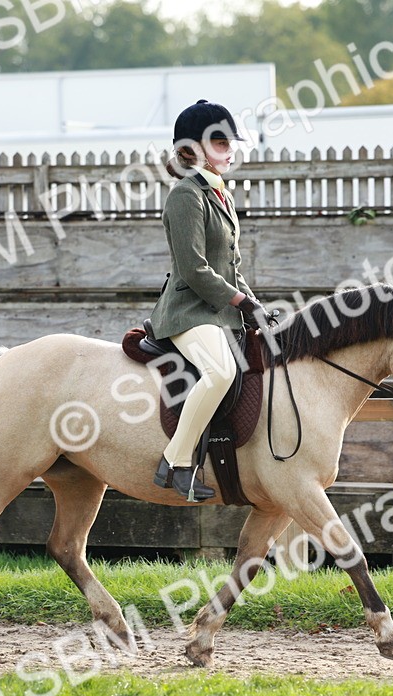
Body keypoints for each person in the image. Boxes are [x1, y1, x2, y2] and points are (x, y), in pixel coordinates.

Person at [149, 99, 266, 502]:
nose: (228, 149)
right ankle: (176, 461)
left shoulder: (220, 194)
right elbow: (195, 268)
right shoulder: (185, 195)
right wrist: (236, 300)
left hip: (218, 311)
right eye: (219, 141)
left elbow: (230, 265)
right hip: (188, 311)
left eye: (229, 141)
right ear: (190, 149)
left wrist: (253, 303)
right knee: (220, 372)